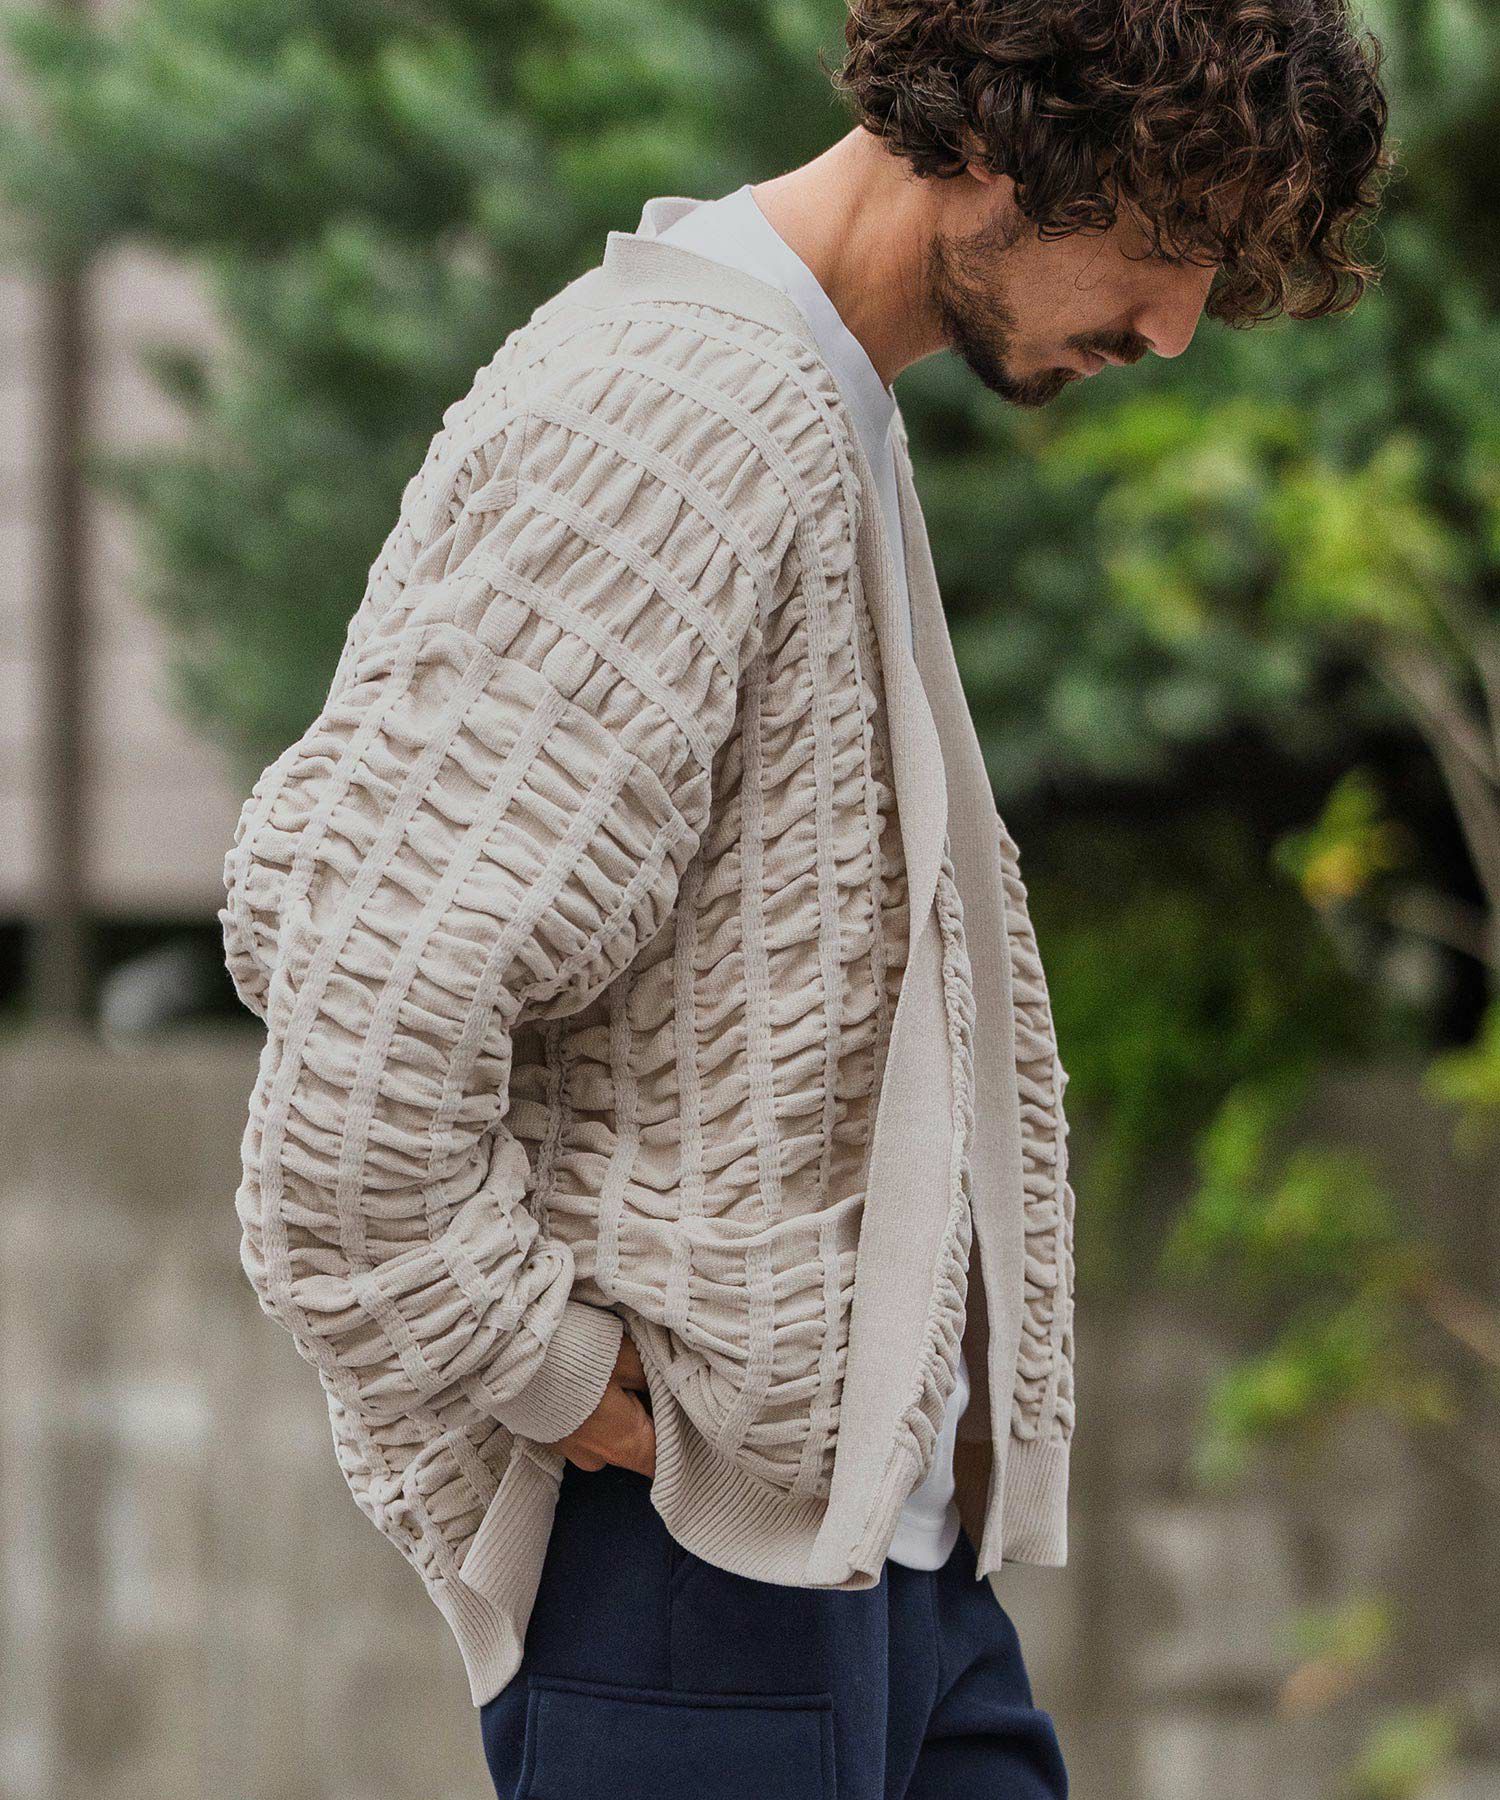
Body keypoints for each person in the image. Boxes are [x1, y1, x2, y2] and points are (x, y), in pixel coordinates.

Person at [219, 2, 1388, 1794]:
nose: (1174, 328)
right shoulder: (682, 411)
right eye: (1172, 243)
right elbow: (363, 1007)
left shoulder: (814, 401)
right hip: (695, 1585)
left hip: (874, 1559)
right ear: (997, 136)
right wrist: (547, 1373)